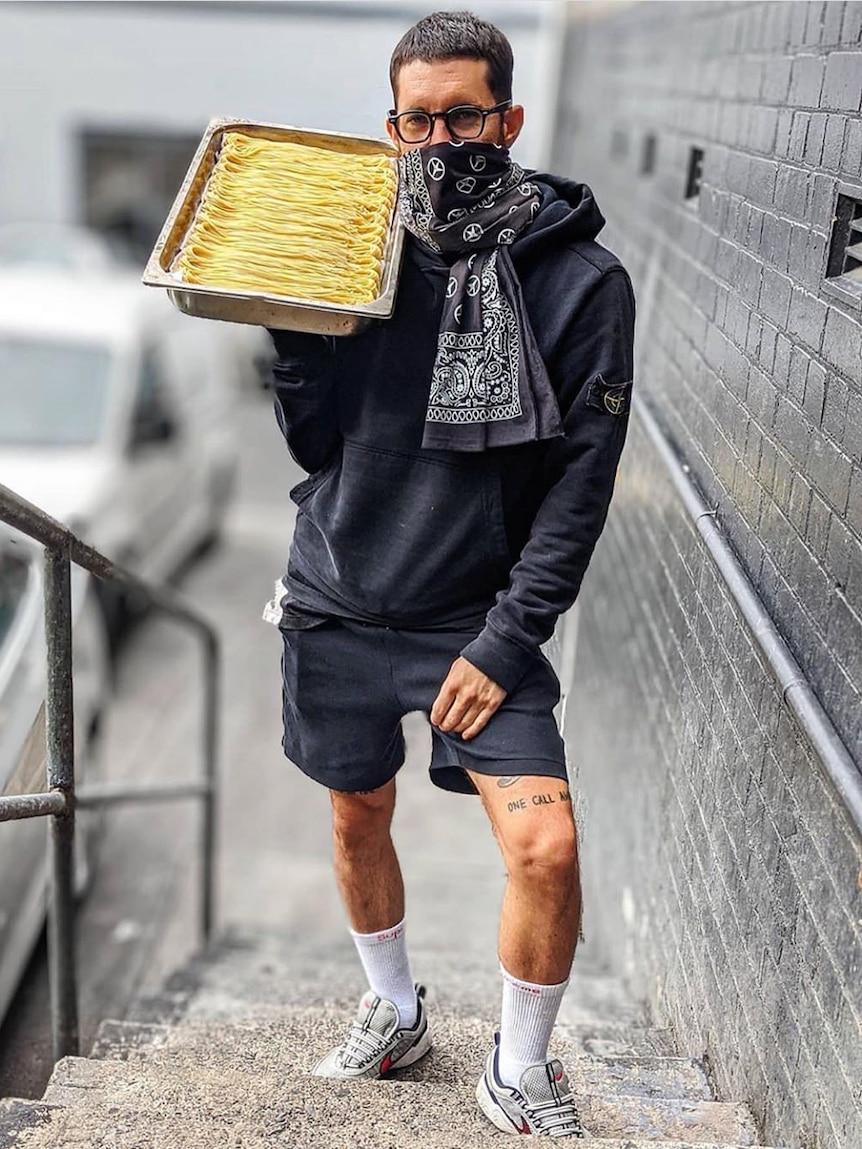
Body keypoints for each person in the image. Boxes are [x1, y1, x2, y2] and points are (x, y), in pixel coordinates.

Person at [264, 9, 635, 1138]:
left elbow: (580, 484)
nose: (439, 139)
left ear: (508, 118)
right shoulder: (354, 255)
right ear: (390, 129)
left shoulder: (582, 284)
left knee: (546, 845)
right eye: (416, 120)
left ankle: (518, 1069)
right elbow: (315, 445)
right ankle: (394, 1011)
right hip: (338, 593)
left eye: (461, 115)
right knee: (355, 811)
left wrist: (506, 640)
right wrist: (291, 343)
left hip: (478, 620)